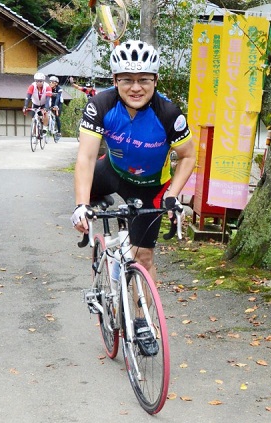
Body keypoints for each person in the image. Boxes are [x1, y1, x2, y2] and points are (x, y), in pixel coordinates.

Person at [71, 40, 196, 353]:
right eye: (126, 79)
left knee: (143, 257)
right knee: (91, 197)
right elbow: (86, 158)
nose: (135, 87)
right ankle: (105, 250)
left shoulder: (169, 114)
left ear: (155, 80)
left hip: (151, 187)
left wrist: (173, 194)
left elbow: (188, 157)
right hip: (110, 173)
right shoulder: (100, 105)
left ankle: (140, 319)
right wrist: (81, 206)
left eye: (144, 79)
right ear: (115, 81)